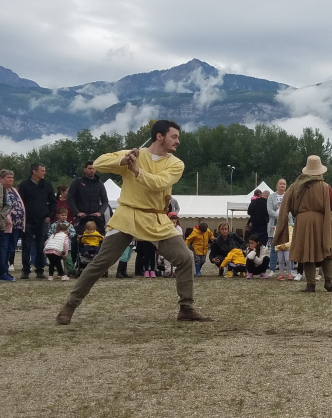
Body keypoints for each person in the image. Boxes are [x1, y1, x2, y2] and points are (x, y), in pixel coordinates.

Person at [55, 119, 212, 325]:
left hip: (157, 218)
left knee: (185, 259)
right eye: (174, 136)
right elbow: (99, 163)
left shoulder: (175, 163)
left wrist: (137, 170)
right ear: (159, 136)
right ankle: (70, 306)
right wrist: (123, 161)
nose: (178, 141)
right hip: (127, 215)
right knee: (101, 262)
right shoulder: (134, 154)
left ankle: (186, 308)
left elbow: (159, 184)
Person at [273, 155, 332, 293]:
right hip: (322, 220)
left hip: (302, 221)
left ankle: (311, 285)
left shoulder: (295, 186)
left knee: (307, 252)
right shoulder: (325, 187)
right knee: (326, 250)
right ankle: (328, 281)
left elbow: (286, 204)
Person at [18, 163, 56, 279]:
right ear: (34, 172)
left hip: (42, 220)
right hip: (28, 220)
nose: (44, 173)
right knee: (26, 246)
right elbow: (20, 203)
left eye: (45, 170)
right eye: (42, 171)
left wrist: (50, 216)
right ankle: (25, 270)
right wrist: (22, 218)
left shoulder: (47, 185)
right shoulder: (24, 185)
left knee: (41, 246)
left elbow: (53, 202)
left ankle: (40, 270)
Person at [67, 161, 109, 236]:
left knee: (97, 239)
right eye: (89, 168)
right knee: (78, 239)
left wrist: (100, 212)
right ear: (85, 169)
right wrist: (77, 212)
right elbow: (69, 198)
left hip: (96, 218)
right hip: (81, 217)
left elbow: (105, 201)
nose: (92, 170)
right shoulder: (77, 182)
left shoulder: (100, 184)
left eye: (93, 169)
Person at [1, 169, 25, 280]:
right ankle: (3, 271)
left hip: (17, 225)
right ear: (1, 178)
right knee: (4, 248)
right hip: (5, 225)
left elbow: (20, 205)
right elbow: (6, 205)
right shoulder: (2, 190)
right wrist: (4, 216)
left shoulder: (14, 190)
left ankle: (5, 268)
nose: (11, 179)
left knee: (11, 249)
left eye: (12, 178)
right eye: (8, 177)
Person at [267, 179, 287, 276]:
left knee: (288, 247)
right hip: (274, 223)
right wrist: (280, 217)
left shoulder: (288, 196)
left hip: (287, 224)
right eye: (280, 183)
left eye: (284, 184)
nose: (282, 185)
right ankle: (272, 269)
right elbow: (270, 210)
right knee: (273, 248)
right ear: (277, 185)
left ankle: (290, 270)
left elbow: (291, 210)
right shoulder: (271, 197)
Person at [49, 207, 76, 276]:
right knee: (56, 260)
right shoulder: (54, 225)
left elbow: (73, 234)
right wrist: (55, 234)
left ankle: (71, 271)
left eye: (65, 215)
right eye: (62, 215)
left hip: (67, 246)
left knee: (68, 259)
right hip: (56, 246)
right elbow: (49, 234)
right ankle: (60, 271)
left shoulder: (69, 225)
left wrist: (68, 234)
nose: (64, 217)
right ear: (57, 215)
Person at [247, 189, 270, 254]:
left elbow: (249, 212)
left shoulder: (253, 202)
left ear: (262, 194)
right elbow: (268, 215)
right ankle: (261, 255)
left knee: (254, 241)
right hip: (263, 226)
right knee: (262, 243)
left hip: (254, 225)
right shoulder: (267, 203)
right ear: (268, 196)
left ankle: (253, 254)